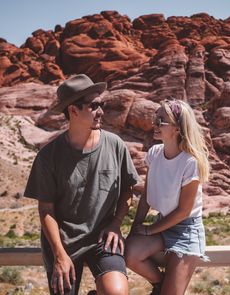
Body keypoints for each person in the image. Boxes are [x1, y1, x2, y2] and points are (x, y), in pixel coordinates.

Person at [24, 74, 139, 295]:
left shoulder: (115, 145)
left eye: (102, 104)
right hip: (63, 244)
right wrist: (59, 254)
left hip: (102, 240)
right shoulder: (49, 156)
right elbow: (46, 210)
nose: (101, 111)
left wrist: (115, 223)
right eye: (94, 105)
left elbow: (128, 188)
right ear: (73, 111)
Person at [125, 99, 210, 295]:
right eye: (154, 119)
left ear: (177, 128)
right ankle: (161, 284)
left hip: (186, 231)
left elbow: (183, 211)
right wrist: (135, 230)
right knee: (130, 253)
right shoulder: (154, 153)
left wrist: (149, 231)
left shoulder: (190, 162)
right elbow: (146, 195)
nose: (154, 124)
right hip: (163, 224)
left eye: (160, 121)